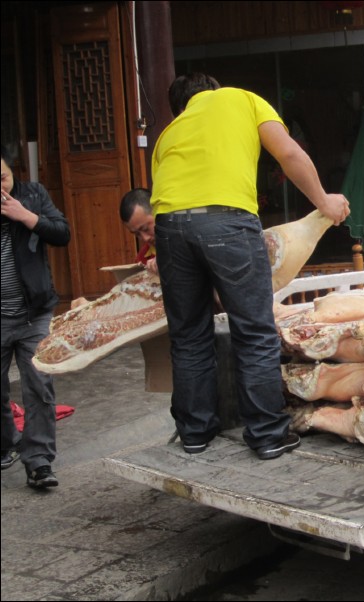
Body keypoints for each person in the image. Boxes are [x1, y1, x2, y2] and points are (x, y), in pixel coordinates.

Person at [151, 73, 349, 460]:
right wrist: (323, 201)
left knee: (189, 335)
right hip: (226, 220)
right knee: (254, 330)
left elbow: (170, 200)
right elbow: (289, 153)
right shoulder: (240, 98)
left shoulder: (169, 133)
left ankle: (194, 432)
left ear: (182, 107)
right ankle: (267, 434)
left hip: (170, 227)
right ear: (213, 88)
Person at [1, 149, 71, 488]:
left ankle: (39, 462)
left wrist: (26, 216)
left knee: (39, 384)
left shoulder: (32, 195)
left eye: (2, 179)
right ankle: (7, 442)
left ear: (11, 173)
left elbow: (62, 233)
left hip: (34, 312)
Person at [119, 187, 158, 274]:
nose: (145, 238)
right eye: (137, 234)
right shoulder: (142, 258)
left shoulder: (185, 242)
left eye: (145, 229)